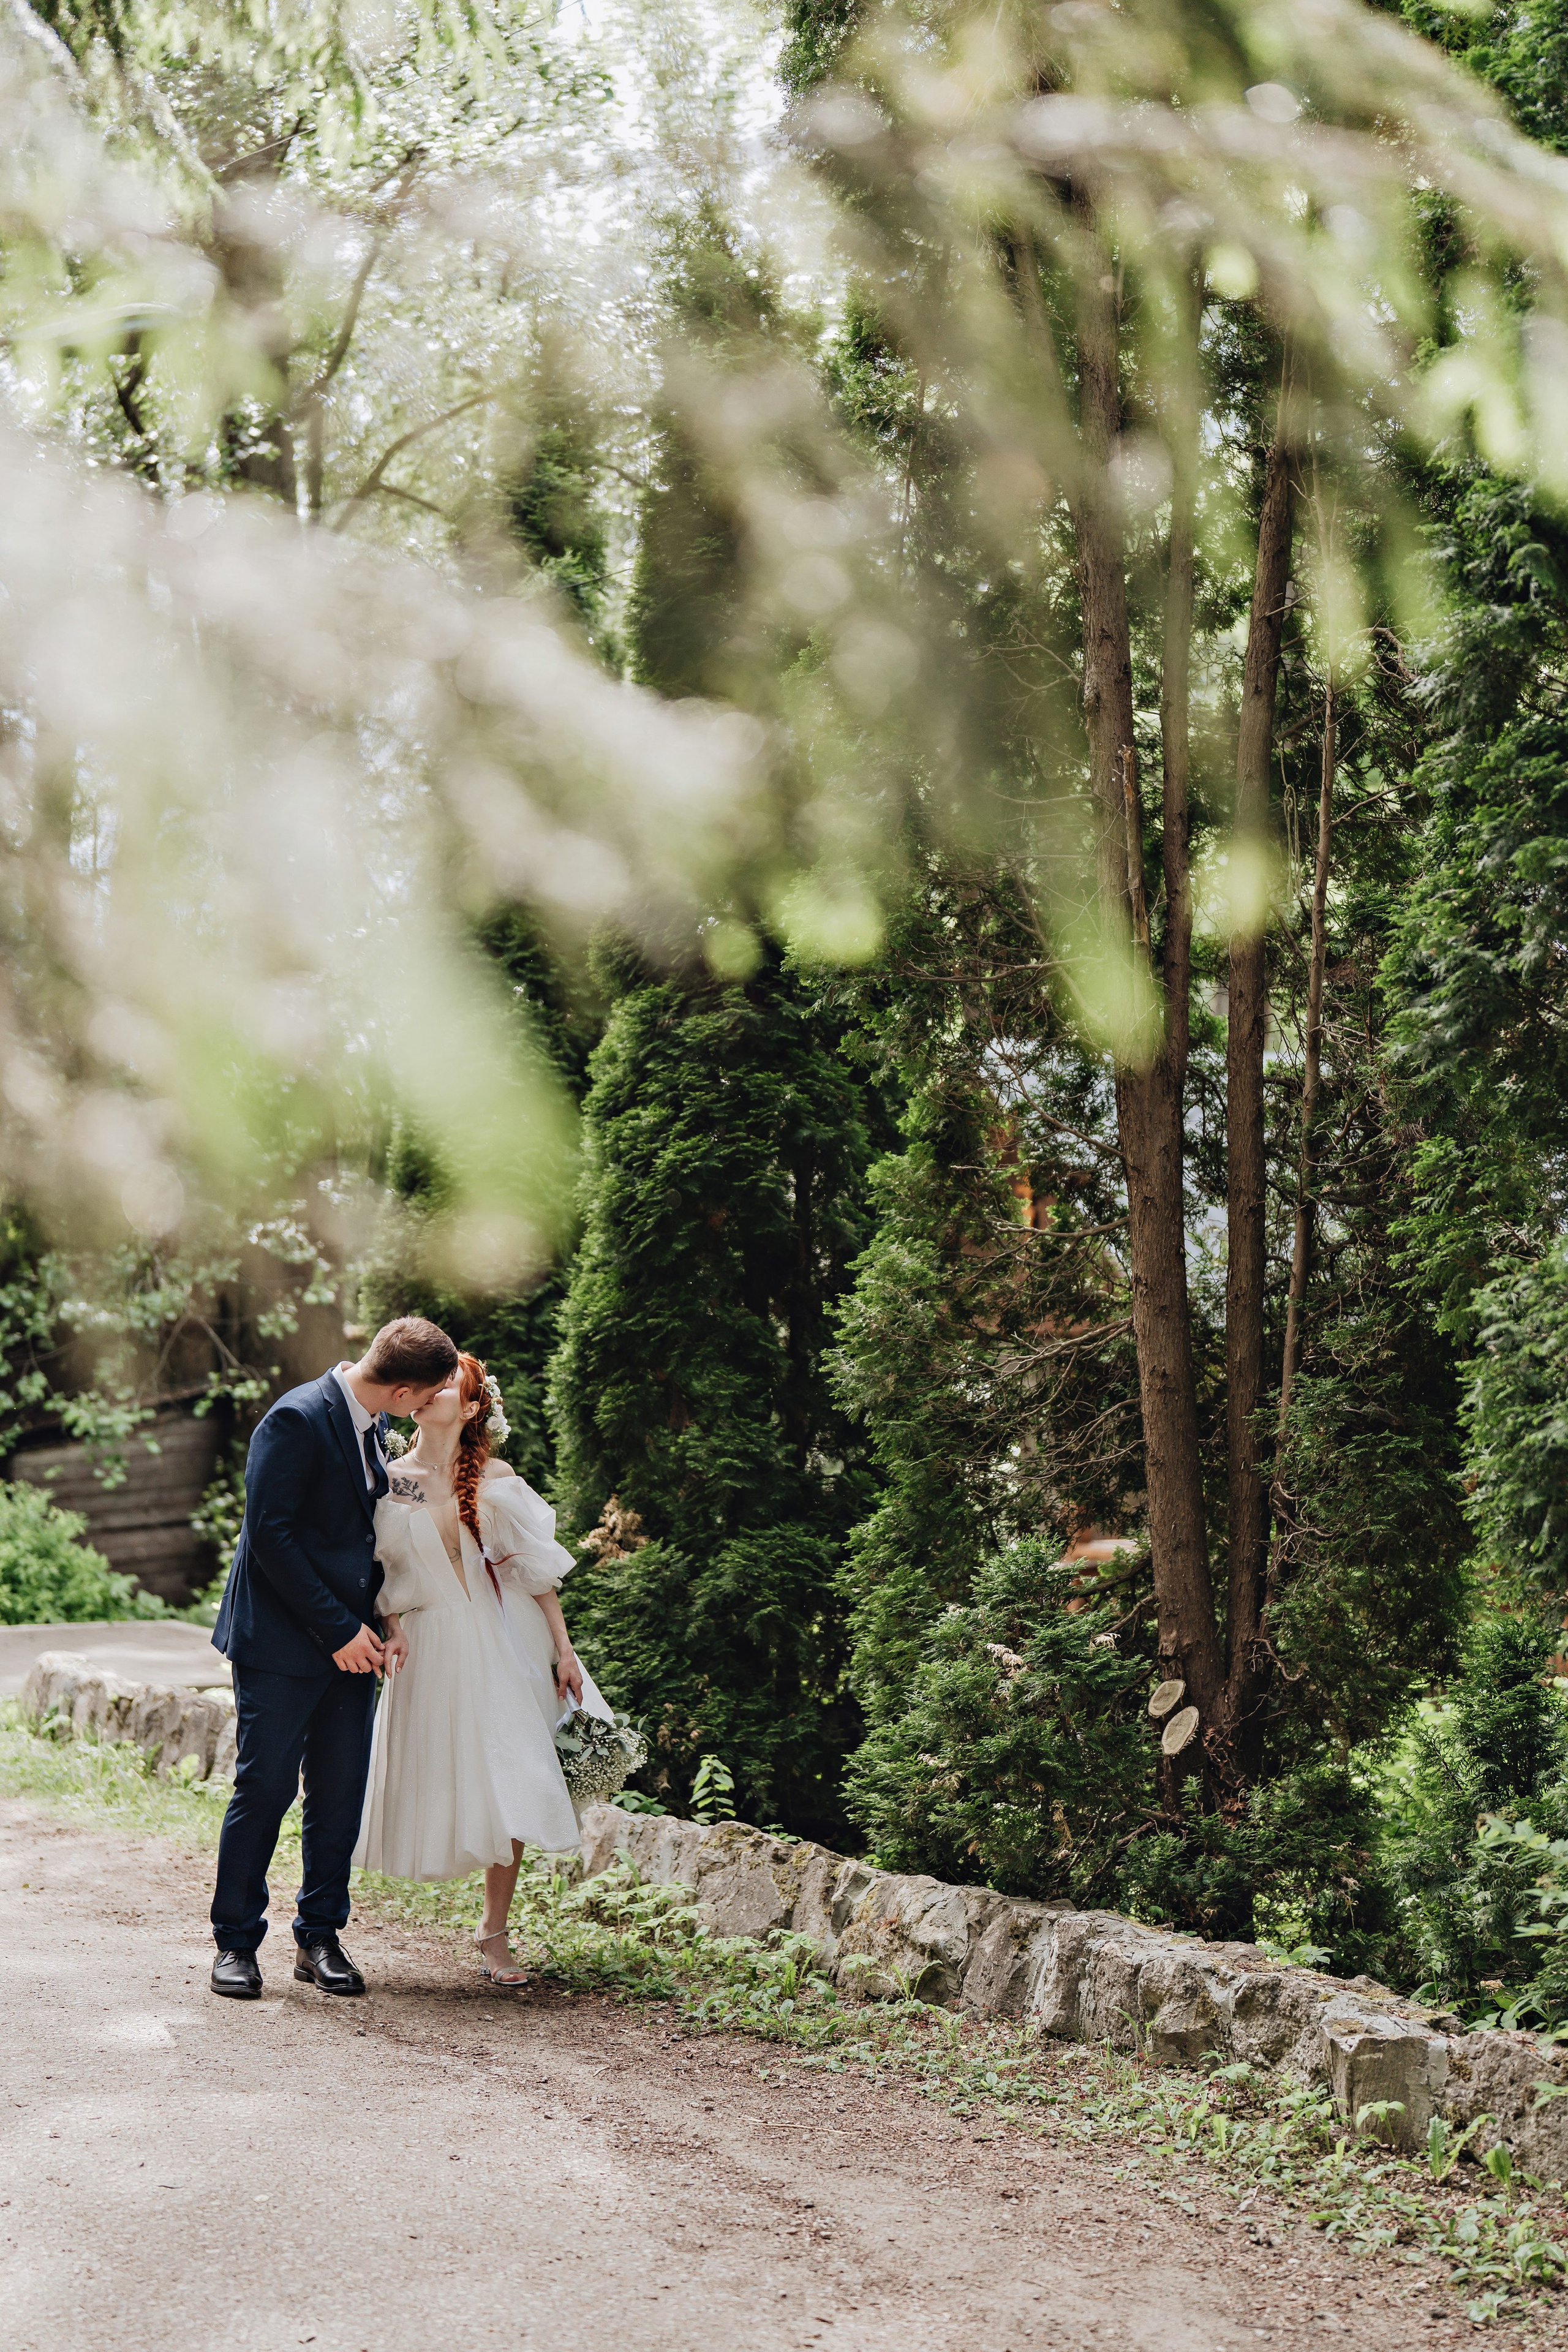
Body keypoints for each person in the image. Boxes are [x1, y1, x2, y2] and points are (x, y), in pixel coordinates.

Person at [208, 1316, 461, 2000]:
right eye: (429, 1395)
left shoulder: (372, 1424)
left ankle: (318, 1936)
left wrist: (385, 1618)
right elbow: (272, 1538)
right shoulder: (294, 1418)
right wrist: (337, 1632)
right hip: (282, 1642)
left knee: (340, 1791)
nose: (427, 1407)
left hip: (356, 1641)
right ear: (405, 1388)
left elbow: (365, 1538)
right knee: (265, 1788)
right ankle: (235, 1943)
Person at [354, 1349, 612, 1987]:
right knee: (447, 1770)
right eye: (432, 1385)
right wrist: (389, 1626)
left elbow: (534, 1569)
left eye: (450, 1387)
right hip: (430, 1640)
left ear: (470, 1407)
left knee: (515, 1773)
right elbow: (379, 1571)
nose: (434, 1392)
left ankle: (494, 1934)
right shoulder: (390, 1476)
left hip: (503, 1637)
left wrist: (564, 1648)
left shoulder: (494, 1474)